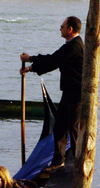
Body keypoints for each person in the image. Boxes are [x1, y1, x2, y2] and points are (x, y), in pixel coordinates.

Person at [20, 16, 84, 171]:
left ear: (69, 29)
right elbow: (55, 62)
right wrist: (31, 68)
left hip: (78, 93)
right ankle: (58, 161)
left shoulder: (75, 46)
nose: (60, 29)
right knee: (60, 126)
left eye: (62, 26)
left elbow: (54, 60)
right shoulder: (70, 45)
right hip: (69, 92)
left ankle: (78, 164)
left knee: (73, 128)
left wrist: (31, 59)